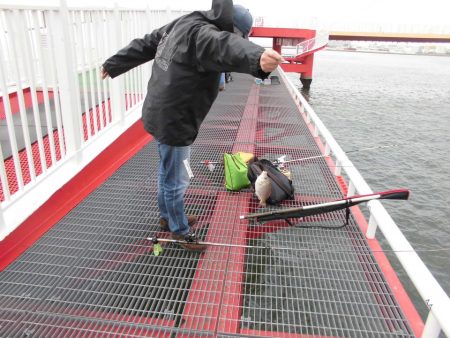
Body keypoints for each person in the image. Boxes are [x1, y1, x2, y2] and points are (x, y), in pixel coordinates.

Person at [100, 0, 283, 252]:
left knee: (167, 171)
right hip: (177, 119)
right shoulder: (206, 35)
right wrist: (257, 57)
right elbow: (226, 46)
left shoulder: (185, 22)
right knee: (177, 179)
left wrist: (114, 63)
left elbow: (148, 42)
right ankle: (180, 231)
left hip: (160, 110)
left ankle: (167, 217)